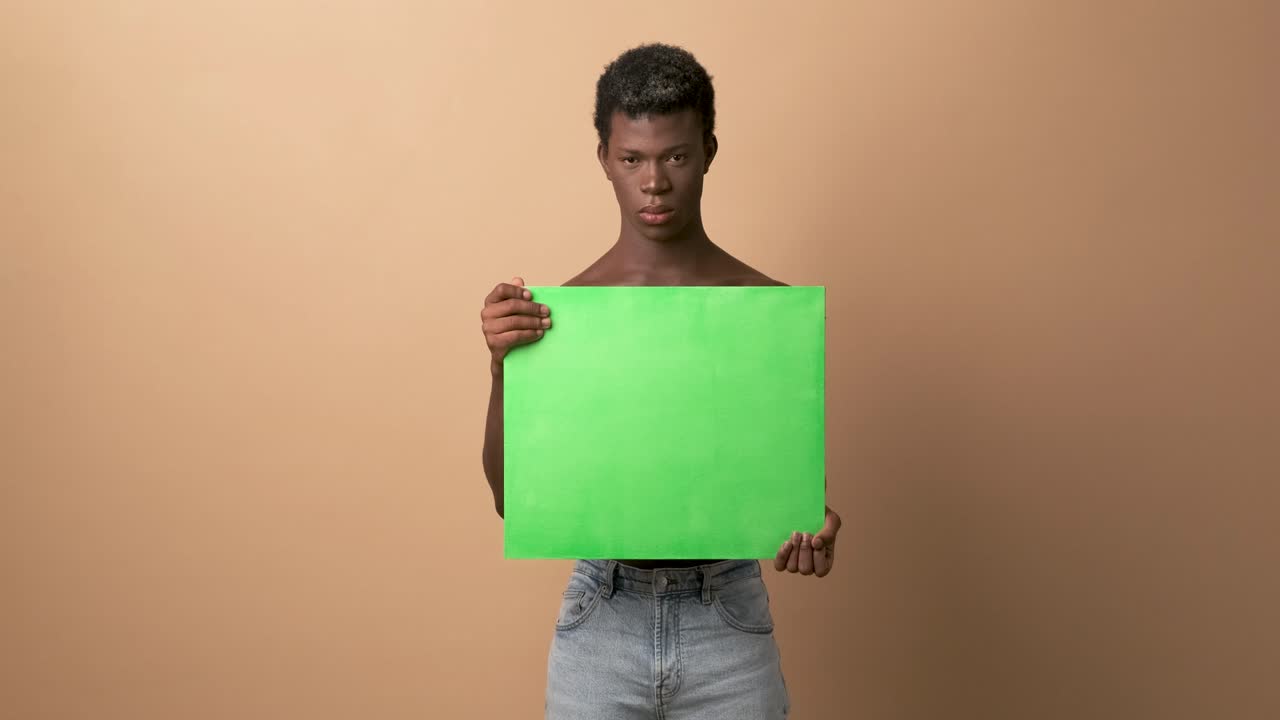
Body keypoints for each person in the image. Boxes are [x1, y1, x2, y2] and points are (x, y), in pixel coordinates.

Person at [479, 43, 843, 719]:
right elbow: (512, 500)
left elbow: (796, 498)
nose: (654, 181)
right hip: (601, 622)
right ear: (604, 160)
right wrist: (501, 370)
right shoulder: (563, 318)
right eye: (632, 159)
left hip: (727, 620)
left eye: (674, 156)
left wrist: (812, 529)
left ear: (707, 150)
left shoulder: (765, 312)